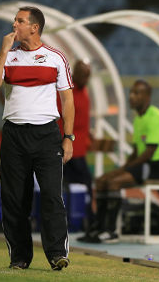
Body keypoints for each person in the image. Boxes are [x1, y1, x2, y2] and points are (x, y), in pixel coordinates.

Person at [0, 6, 73, 271]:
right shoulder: (8, 57)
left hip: (46, 134)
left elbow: (67, 100)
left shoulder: (56, 58)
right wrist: (3, 51)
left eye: (20, 21)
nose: (14, 24)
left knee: (51, 195)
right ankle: (20, 258)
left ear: (34, 27)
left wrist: (68, 136)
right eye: (15, 20)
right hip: (14, 134)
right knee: (14, 199)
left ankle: (57, 254)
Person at [78, 79, 159, 243]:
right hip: (144, 165)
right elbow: (136, 151)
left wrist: (122, 171)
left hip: (157, 166)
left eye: (136, 93)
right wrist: (122, 168)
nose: (131, 96)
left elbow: (148, 153)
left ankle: (110, 232)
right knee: (101, 181)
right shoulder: (138, 118)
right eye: (131, 92)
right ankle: (98, 228)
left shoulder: (155, 117)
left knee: (114, 183)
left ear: (147, 96)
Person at [57, 60, 93, 228]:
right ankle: (82, 219)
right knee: (80, 183)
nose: (87, 78)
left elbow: (82, 119)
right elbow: (61, 118)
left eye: (88, 75)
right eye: (84, 75)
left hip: (79, 147)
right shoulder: (65, 91)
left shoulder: (83, 90)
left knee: (79, 184)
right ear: (75, 73)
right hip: (70, 147)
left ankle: (81, 219)